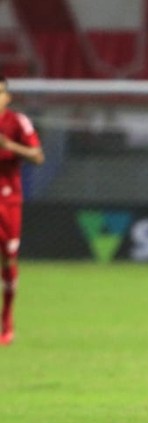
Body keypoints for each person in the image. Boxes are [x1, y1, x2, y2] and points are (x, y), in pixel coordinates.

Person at [0, 76, 45, 346]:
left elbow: (38, 156)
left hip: (8, 201)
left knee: (8, 259)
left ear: (7, 97)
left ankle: (6, 320)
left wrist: (10, 146)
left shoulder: (17, 123)